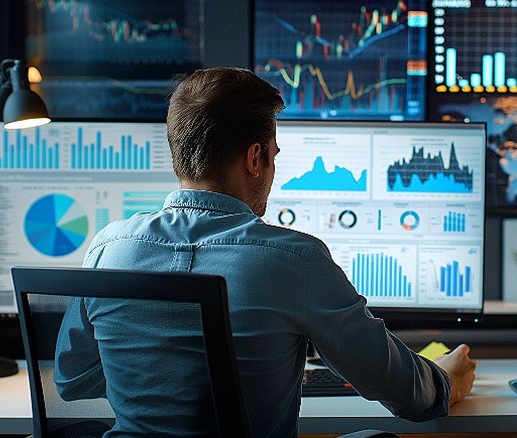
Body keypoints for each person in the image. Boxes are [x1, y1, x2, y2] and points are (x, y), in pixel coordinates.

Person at [54, 67, 477, 437]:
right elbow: (405, 394)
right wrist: (447, 381)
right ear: (255, 158)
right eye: (273, 156)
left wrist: (160, 377)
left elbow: (72, 380)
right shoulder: (295, 260)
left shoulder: (109, 248)